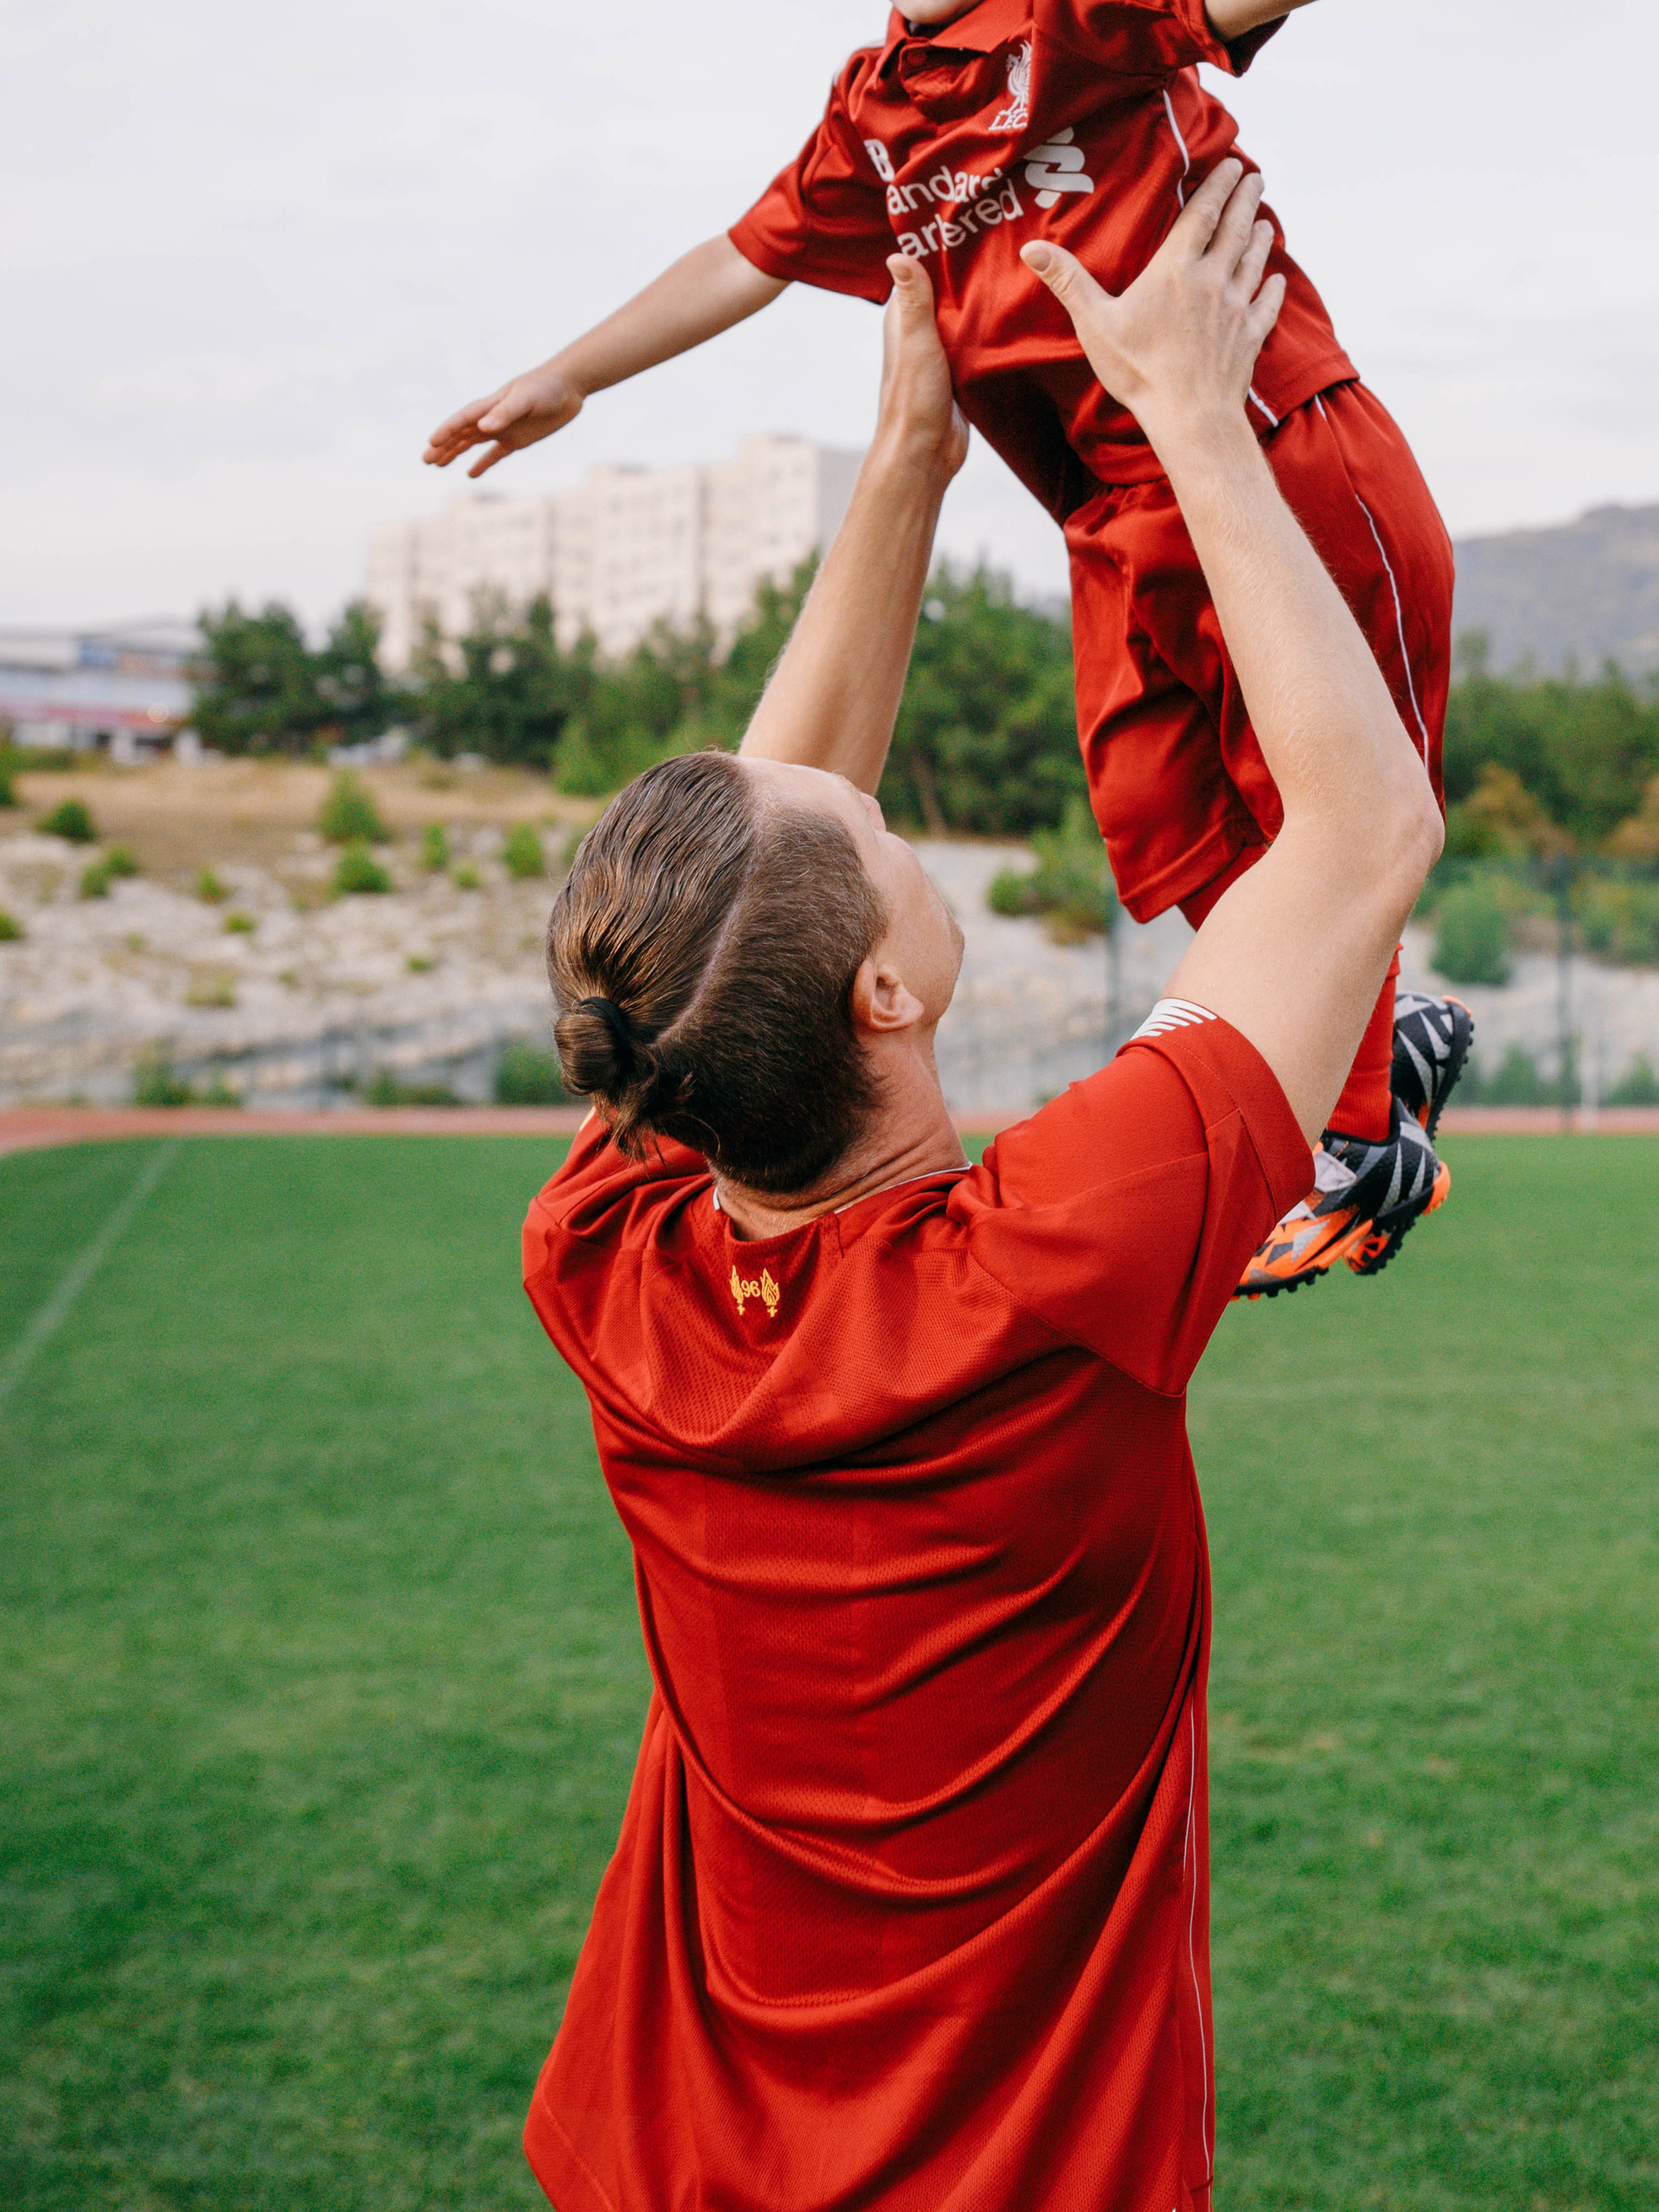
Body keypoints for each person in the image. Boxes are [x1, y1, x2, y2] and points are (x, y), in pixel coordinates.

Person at [518, 164, 1445, 2212]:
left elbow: (735, 908)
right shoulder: (1057, 1255)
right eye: (870, 827)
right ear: (888, 989)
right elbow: (1364, 826)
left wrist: (911, 466)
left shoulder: (608, 1258)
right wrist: (1195, 418)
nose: (862, 781)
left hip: (670, 2158)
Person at [433, 0, 1529, 1292]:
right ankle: (1381, 1014)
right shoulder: (877, 110)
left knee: (1326, 800)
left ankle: (1356, 1138)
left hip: (1275, 463)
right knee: (1158, 808)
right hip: (1109, 516)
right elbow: (745, 255)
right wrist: (575, 371)